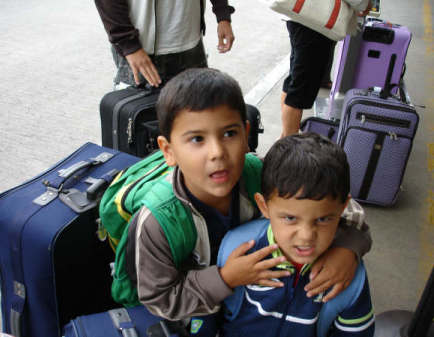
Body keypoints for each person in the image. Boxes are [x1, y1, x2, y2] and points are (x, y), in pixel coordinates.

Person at [122, 68, 371, 325]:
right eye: (197, 139)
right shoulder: (157, 221)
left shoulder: (261, 173)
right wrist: (225, 278)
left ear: (246, 134)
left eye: (229, 133)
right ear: (168, 150)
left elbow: (337, 204)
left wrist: (348, 247)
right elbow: (161, 300)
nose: (217, 152)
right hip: (194, 313)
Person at [218, 133, 374, 337]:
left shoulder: (348, 277)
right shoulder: (237, 248)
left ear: (343, 207)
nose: (307, 236)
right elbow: (208, 318)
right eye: (290, 218)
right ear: (264, 206)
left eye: (324, 219)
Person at [280, 1, 373, 137]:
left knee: (295, 80)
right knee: (299, 89)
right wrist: (365, 4)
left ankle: (284, 138)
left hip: (301, 16)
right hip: (315, 23)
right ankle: (286, 146)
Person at [94, 0, 235, 88]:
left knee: (194, 116)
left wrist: (223, 15)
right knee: (140, 124)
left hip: (190, 42)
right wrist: (129, 45)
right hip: (140, 50)